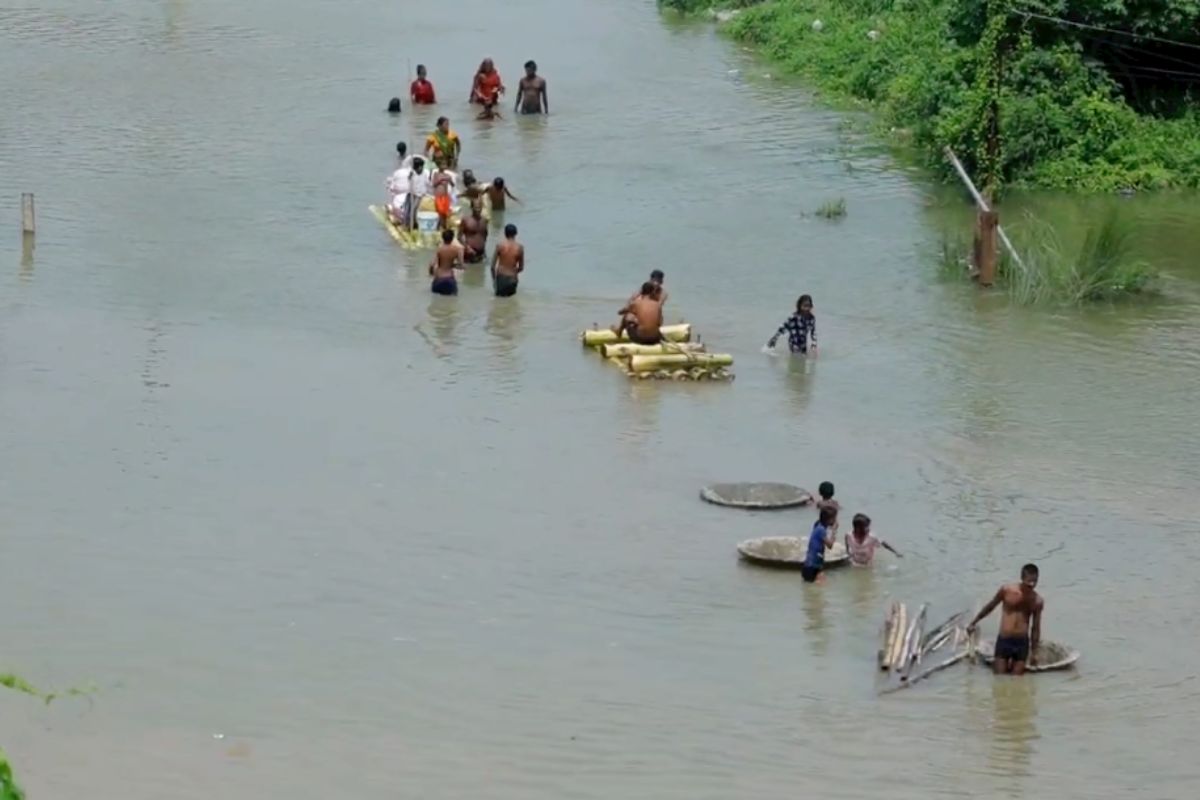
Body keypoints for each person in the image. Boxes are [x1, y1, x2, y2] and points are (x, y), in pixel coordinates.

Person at [967, 564, 1044, 675]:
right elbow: (991, 606)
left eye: (1034, 582)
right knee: (999, 678)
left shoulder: (1037, 601)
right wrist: (974, 622)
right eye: (1029, 582)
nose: (1031, 585)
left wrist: (1034, 652)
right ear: (1022, 578)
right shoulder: (1007, 590)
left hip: (1022, 642)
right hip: (1004, 640)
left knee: (1016, 682)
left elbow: (1036, 628)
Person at [801, 505, 838, 583]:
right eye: (834, 518)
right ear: (829, 520)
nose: (836, 520)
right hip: (813, 566)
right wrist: (834, 531)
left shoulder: (818, 526)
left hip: (810, 564)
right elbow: (830, 545)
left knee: (814, 590)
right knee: (819, 589)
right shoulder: (821, 530)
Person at [491, 224, 525, 297]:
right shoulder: (520, 248)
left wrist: (494, 280)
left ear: (505, 233)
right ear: (516, 233)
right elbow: (521, 268)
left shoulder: (499, 246)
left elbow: (492, 267)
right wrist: (513, 272)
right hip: (512, 278)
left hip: (501, 277)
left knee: (499, 302)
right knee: (511, 303)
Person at [429, 229, 461, 296]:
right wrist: (452, 265)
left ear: (442, 238)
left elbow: (432, 264)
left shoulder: (439, 249)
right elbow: (460, 265)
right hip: (450, 280)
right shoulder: (456, 250)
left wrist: (431, 273)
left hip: (439, 279)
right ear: (452, 238)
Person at [406, 157, 432, 229]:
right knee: (410, 209)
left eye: (422, 167)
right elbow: (409, 181)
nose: (421, 168)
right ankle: (410, 223)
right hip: (413, 194)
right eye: (420, 167)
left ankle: (414, 223)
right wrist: (410, 176)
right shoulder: (412, 173)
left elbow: (428, 184)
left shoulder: (425, 174)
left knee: (414, 209)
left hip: (419, 195)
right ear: (416, 168)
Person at [459, 199, 488, 264]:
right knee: (469, 273)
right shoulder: (466, 220)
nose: (478, 209)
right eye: (476, 207)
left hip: (481, 254)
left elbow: (485, 236)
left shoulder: (484, 220)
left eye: (480, 207)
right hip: (469, 255)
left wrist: (484, 251)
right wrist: (467, 247)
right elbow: (459, 236)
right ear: (471, 207)